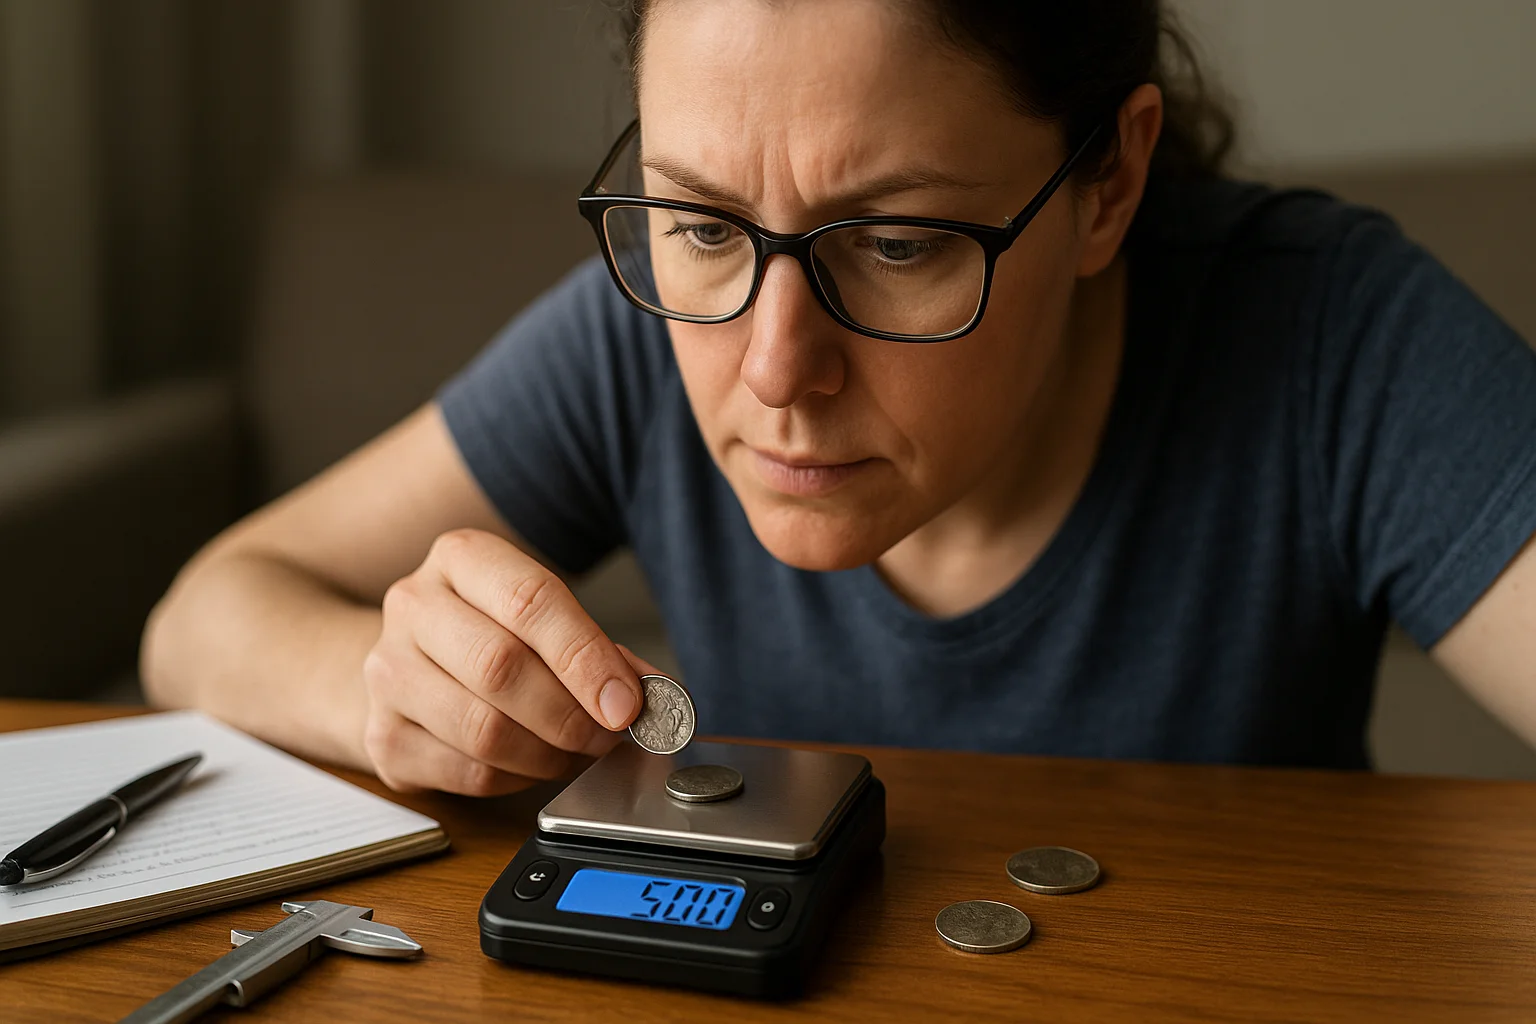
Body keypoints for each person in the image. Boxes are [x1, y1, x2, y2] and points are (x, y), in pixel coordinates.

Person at [141, 0, 1536, 795]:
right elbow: (204, 614)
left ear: (1110, 180)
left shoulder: (1327, 336)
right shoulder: (644, 331)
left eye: (900, 242)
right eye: (698, 223)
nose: (772, 367)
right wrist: (384, 690)